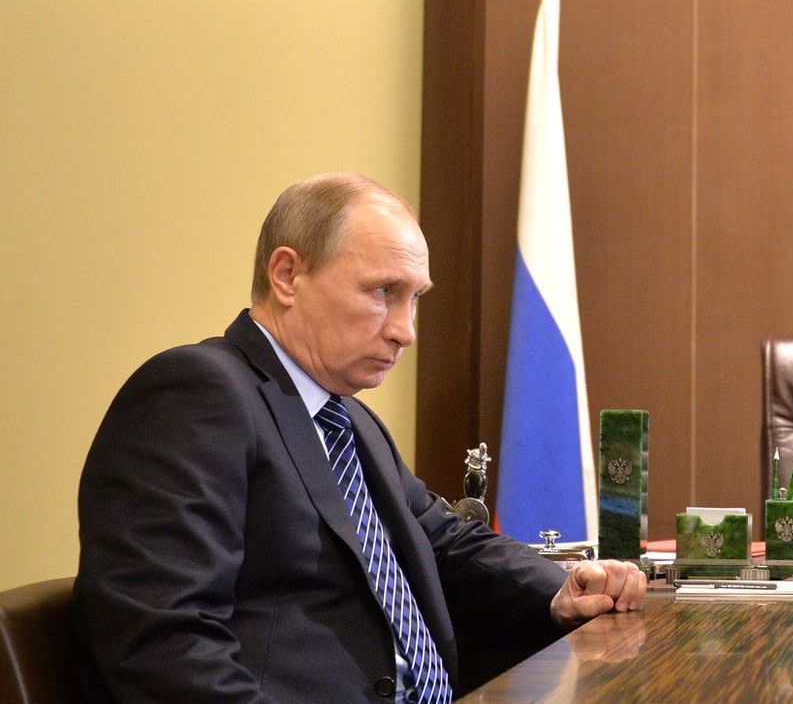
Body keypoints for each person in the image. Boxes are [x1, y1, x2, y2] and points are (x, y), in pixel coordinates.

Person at [76, 173, 647, 702]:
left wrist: (560, 591)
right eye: (383, 292)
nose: (405, 331)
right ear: (287, 275)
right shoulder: (196, 392)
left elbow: (445, 543)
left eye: (415, 298)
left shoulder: (346, 418)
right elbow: (164, 641)